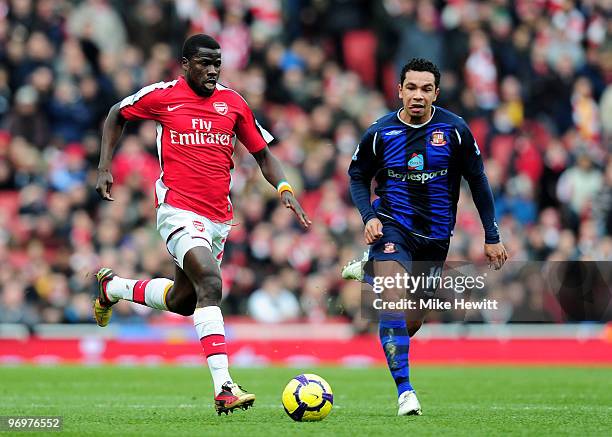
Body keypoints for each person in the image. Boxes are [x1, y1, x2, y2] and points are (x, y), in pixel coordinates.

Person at [93, 34, 311, 415]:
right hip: (177, 210)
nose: (212, 70)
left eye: (217, 63)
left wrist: (284, 187)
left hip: (218, 219)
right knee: (211, 282)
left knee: (184, 301)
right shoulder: (162, 96)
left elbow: (263, 154)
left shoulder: (234, 103)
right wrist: (104, 166)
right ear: (185, 64)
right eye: (204, 63)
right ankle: (224, 387)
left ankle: (113, 288)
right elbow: (116, 113)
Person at [344, 58, 507, 416]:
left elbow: (477, 180)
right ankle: (406, 392)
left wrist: (491, 234)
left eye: (426, 89)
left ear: (436, 92)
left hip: (434, 238)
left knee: (412, 320)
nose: (418, 95)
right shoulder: (379, 133)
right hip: (392, 227)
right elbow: (357, 176)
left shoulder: (455, 130)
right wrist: (369, 216)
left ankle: (370, 271)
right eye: (411, 88)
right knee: (392, 301)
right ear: (399, 90)